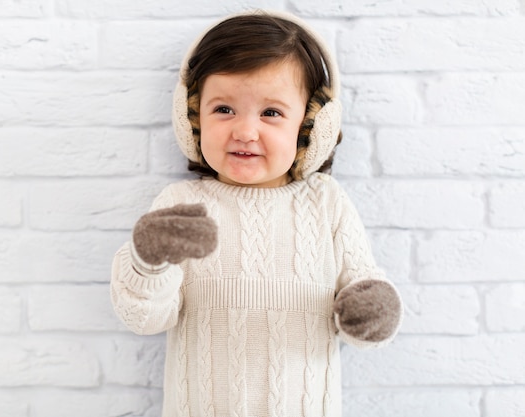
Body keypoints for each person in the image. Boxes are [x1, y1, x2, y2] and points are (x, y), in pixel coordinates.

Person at [110, 10, 403, 417]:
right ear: (191, 117)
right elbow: (144, 317)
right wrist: (148, 259)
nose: (245, 131)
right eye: (224, 109)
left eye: (271, 113)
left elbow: (364, 289)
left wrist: (372, 313)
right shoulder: (180, 207)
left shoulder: (326, 203)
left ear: (311, 127)